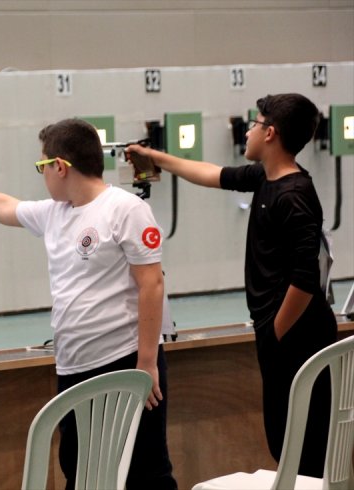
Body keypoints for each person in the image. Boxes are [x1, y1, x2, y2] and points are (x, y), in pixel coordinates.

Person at [0, 118, 177, 490]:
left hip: (124, 362)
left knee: (144, 471)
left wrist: (147, 363)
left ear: (60, 166)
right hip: (74, 367)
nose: (42, 174)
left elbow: (151, 284)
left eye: (42, 166)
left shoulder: (124, 209)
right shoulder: (54, 213)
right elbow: (3, 206)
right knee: (82, 471)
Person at [126, 93, 337, 477]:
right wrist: (155, 158)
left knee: (304, 445)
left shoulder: (294, 195)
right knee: (283, 437)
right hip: (281, 332)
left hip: (298, 335)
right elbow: (211, 174)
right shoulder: (264, 178)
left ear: (270, 133)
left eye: (255, 123)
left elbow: (306, 279)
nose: (249, 131)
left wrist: (275, 333)